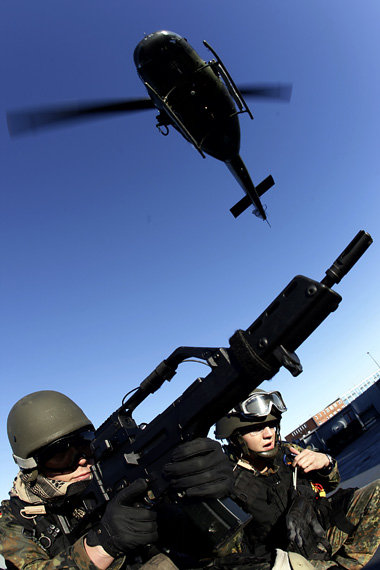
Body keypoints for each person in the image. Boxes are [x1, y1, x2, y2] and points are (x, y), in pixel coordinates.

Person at [0, 390, 233, 570]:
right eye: (61, 455)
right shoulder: (14, 519)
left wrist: (200, 494)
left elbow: (218, 549)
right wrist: (103, 545)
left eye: (84, 445)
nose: (81, 461)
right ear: (32, 468)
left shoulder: (116, 476)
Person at [214, 388, 380, 570]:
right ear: (236, 437)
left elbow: (332, 483)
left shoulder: (288, 452)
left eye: (271, 425)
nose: (268, 434)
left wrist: (326, 463)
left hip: (322, 532)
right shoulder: (226, 483)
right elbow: (230, 557)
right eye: (256, 429)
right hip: (288, 560)